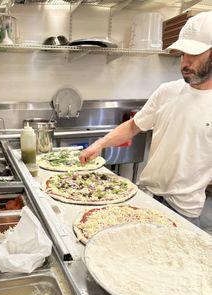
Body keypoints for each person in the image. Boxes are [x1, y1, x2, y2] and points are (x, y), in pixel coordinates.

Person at [79, 11, 212, 226]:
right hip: (147, 197)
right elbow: (134, 126)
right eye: (182, 54)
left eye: (193, 55)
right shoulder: (167, 91)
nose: (184, 62)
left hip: (185, 211)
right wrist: (100, 144)